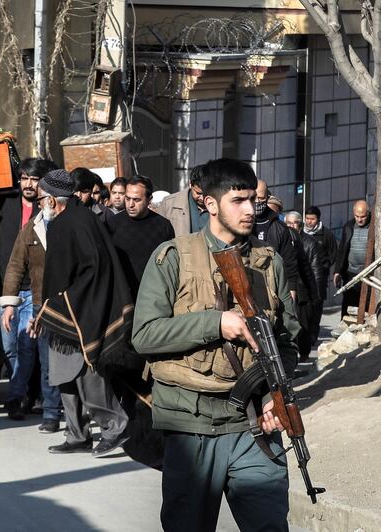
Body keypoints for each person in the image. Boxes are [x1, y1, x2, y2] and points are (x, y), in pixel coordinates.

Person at [132, 158, 299, 532]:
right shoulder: (173, 258)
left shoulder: (268, 263)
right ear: (209, 204)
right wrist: (215, 323)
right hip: (192, 426)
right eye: (237, 200)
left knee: (270, 525)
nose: (249, 210)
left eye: (252, 200)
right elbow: (144, 335)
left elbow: (287, 341)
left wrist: (277, 393)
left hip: (254, 426)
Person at [33, 169, 134, 457]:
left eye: (42, 199)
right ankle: (76, 434)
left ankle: (115, 427)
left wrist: (64, 302)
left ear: (53, 200)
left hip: (79, 311)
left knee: (89, 376)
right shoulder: (72, 219)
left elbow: (95, 268)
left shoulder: (74, 222)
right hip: (64, 311)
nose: (40, 205)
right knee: (64, 375)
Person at [0, 157, 58, 421]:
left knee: (30, 348)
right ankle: (24, 392)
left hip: (38, 291)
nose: (28, 184)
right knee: (11, 347)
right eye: (24, 178)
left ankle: (22, 398)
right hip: (10, 288)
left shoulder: (51, 212)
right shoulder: (4, 203)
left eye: (34, 179)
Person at [110, 175, 175, 302]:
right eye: (127, 199)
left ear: (149, 199)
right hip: (122, 296)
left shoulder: (163, 226)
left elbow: (170, 263)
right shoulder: (112, 224)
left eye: (136, 200)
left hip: (154, 295)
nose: (130, 204)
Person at [285, 211, 323, 361]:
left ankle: (304, 355)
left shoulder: (309, 243)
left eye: (294, 223)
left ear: (300, 225)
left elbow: (315, 271)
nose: (291, 226)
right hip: (287, 290)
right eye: (288, 223)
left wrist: (316, 296)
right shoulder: (284, 241)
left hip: (304, 292)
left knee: (304, 327)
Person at [253, 179, 299, 300]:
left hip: (273, 286)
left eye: (261, 198)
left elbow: (289, 260)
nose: (257, 202)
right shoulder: (239, 222)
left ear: (268, 197)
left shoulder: (279, 227)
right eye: (254, 197)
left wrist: (292, 288)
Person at [303, 205, 338, 343]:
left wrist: (324, 265)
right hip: (304, 278)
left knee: (316, 308)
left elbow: (333, 253)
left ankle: (313, 336)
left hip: (319, 278)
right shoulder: (301, 233)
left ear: (318, 219)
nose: (309, 221)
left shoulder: (326, 234)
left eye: (312, 219)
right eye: (307, 218)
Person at [334, 199, 373, 317]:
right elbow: (342, 250)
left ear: (369, 214)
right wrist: (337, 271)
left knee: (367, 306)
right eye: (357, 216)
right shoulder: (349, 226)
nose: (360, 219)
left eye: (363, 216)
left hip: (370, 274)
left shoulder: (374, 227)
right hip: (351, 274)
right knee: (348, 305)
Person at [157, 164, 208, 236]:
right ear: (190, 184)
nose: (202, 198)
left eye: (207, 193)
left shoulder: (221, 204)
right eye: (198, 193)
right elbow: (158, 234)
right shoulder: (169, 204)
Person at [72, 167, 117, 235]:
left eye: (84, 192)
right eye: (75, 191)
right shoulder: (61, 210)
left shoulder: (105, 214)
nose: (79, 196)